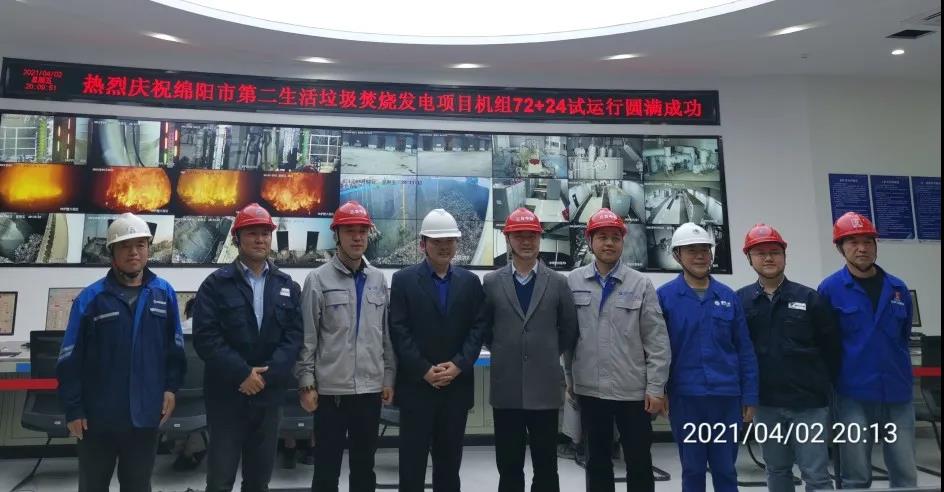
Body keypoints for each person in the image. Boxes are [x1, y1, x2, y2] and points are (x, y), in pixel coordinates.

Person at [57, 212, 186, 491]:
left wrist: (170, 388)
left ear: (149, 249)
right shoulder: (91, 299)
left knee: (138, 485)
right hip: (98, 418)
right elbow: (69, 359)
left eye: (140, 245)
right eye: (125, 246)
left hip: (145, 415)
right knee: (93, 486)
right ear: (112, 253)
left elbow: (174, 349)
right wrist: (74, 409)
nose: (134, 252)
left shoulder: (163, 294)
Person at [193, 202, 304, 492]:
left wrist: (266, 376)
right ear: (237, 238)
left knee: (258, 481)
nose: (260, 239)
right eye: (252, 233)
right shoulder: (215, 285)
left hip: (269, 398)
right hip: (227, 397)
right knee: (220, 480)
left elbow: (294, 337)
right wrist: (242, 374)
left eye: (265, 233)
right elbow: (206, 338)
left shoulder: (287, 286)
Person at [565, 208, 671, 492]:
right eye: (602, 237)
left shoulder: (641, 284)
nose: (609, 243)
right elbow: (569, 338)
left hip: (632, 391)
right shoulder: (573, 282)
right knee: (596, 461)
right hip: (590, 389)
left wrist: (656, 388)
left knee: (638, 461)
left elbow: (657, 341)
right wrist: (570, 380)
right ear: (590, 241)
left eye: (615, 237)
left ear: (623, 242)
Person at [294, 200, 397, 492]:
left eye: (362, 231)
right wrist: (306, 383)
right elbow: (308, 337)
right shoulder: (317, 279)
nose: (357, 237)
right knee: (326, 469)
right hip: (331, 394)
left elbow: (385, 335)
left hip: (369, 391)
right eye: (349, 231)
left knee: (364, 468)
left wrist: (388, 378)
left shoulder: (378, 279)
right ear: (337, 234)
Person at [480, 207, 578, 492]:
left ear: (539, 238)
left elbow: (569, 329)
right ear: (508, 239)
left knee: (546, 466)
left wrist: (546, 352)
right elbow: (484, 329)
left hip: (545, 390)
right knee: (508, 465)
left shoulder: (558, 283)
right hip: (506, 390)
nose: (526, 241)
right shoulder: (491, 282)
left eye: (532, 236)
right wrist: (506, 349)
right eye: (519, 235)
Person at [389, 208, 486, 492]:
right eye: (437, 241)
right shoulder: (403, 280)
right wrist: (424, 370)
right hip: (416, 389)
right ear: (423, 244)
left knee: (449, 467)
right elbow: (399, 330)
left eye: (450, 240)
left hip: (455, 390)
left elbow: (478, 328)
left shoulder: (470, 282)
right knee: (411, 467)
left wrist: (458, 365)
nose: (445, 246)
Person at [656, 222, 759, 492]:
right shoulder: (665, 298)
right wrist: (659, 390)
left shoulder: (728, 297)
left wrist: (750, 395)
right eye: (692, 250)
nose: (700, 256)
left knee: (726, 469)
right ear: (677, 255)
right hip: (686, 398)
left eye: (705, 250)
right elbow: (657, 350)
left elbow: (744, 349)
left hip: (726, 399)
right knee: (693, 469)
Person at [736, 224, 839, 492]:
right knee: (777, 470)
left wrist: (823, 390)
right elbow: (738, 352)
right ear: (749, 259)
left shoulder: (810, 299)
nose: (768, 258)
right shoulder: (741, 302)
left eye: (774, 251)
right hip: (766, 405)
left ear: (784, 255)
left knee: (816, 474)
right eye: (760, 253)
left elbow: (831, 348)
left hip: (808, 405)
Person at [817, 212, 917, 488]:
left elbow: (904, 335)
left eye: (868, 242)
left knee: (905, 471)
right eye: (853, 242)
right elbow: (825, 342)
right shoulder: (829, 290)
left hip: (897, 392)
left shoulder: (898, 288)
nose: (862, 248)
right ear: (840, 248)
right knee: (855, 474)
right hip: (852, 395)